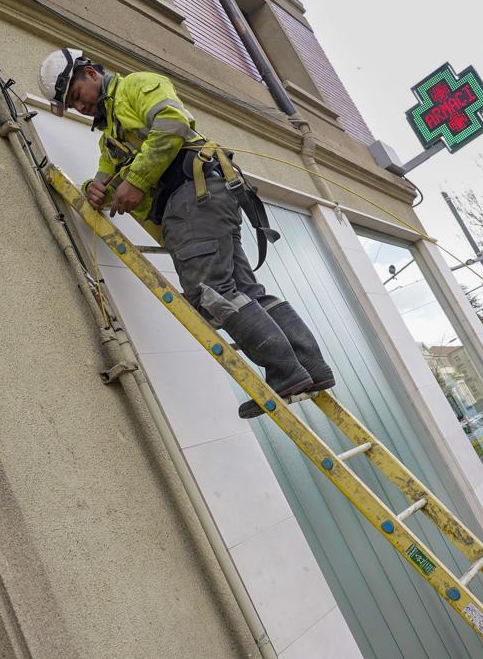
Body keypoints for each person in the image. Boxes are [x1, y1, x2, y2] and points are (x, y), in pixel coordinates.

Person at [37, 48, 335, 418]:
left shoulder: (138, 86)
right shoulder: (109, 139)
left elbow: (173, 123)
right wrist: (93, 189)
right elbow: (108, 183)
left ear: (91, 74)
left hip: (195, 198)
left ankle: (285, 372)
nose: (79, 107)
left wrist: (136, 179)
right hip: (204, 200)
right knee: (244, 290)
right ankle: (311, 368)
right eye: (70, 104)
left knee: (210, 293)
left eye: (76, 96)